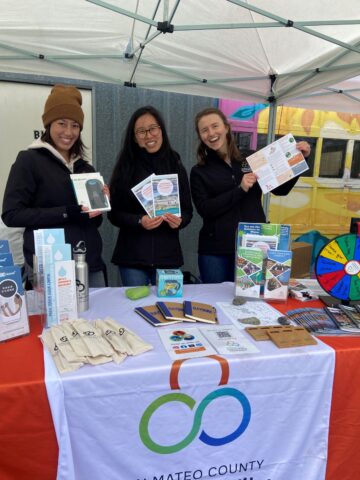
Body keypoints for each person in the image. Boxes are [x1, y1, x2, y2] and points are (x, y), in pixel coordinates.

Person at [190, 107, 311, 284]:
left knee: (250, 301)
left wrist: (300, 159)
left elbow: (280, 190)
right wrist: (239, 190)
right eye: (204, 130)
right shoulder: (199, 171)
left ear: (226, 127)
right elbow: (206, 209)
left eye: (215, 126)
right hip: (216, 251)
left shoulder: (251, 159)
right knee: (214, 300)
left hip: (254, 246)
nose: (211, 133)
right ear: (200, 136)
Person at [2, 84, 106, 288]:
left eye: (75, 125)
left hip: (90, 262)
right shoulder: (29, 160)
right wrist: (67, 212)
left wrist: (98, 205)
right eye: (62, 123)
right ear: (49, 124)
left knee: (97, 319)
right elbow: (12, 214)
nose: (69, 132)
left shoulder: (85, 167)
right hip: (50, 266)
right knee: (56, 321)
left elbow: (94, 223)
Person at [108, 105, 193, 286]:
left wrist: (180, 220)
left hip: (168, 257)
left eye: (153, 128)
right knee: (135, 310)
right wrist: (139, 220)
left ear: (161, 130)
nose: (148, 135)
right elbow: (114, 214)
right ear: (134, 137)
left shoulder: (176, 165)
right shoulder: (126, 167)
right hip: (132, 257)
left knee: (167, 308)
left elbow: (187, 211)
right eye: (141, 131)